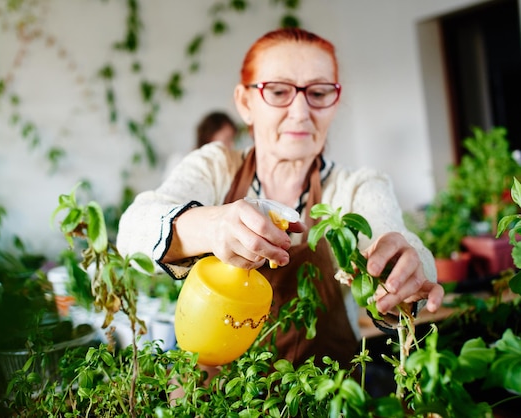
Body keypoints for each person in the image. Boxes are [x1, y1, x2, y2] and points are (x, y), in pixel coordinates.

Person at [117, 27, 444, 370]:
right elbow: (131, 232)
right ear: (245, 103)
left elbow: (393, 235)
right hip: (215, 398)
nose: (301, 112)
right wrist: (213, 227)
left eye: (318, 93)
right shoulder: (215, 168)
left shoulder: (357, 187)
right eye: (277, 91)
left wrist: (406, 269)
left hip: (325, 396)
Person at [162, 110, 238, 181]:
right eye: (227, 139)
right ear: (210, 136)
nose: (232, 144)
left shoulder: (224, 170)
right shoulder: (179, 160)